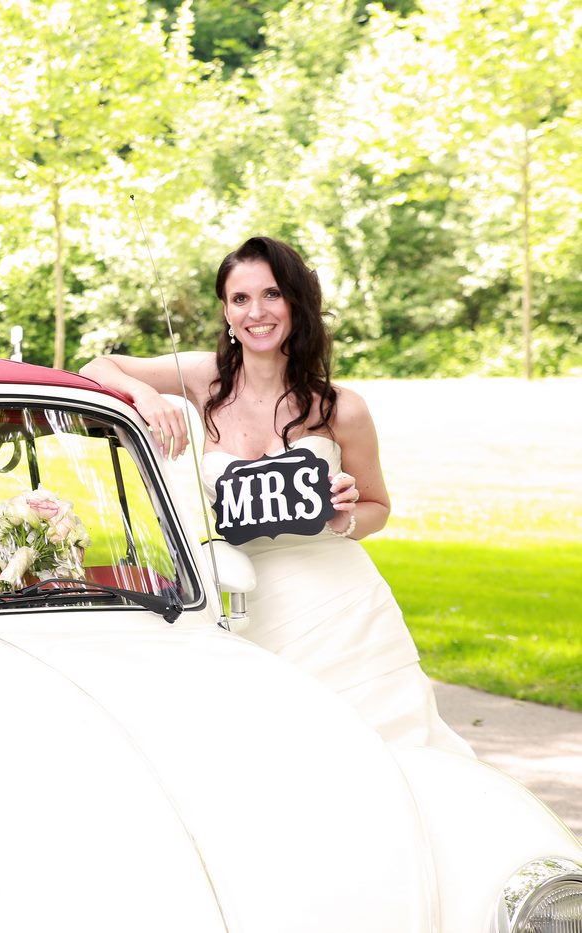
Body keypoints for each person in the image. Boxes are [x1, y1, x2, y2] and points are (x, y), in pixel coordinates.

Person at [80, 235, 471, 756]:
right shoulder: (203, 378)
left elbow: (378, 506)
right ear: (225, 310)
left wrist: (345, 517)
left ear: (295, 304)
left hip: (345, 611)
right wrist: (149, 397)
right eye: (240, 299)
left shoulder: (340, 408)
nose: (255, 312)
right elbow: (94, 368)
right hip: (248, 604)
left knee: (390, 750)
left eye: (271, 295)